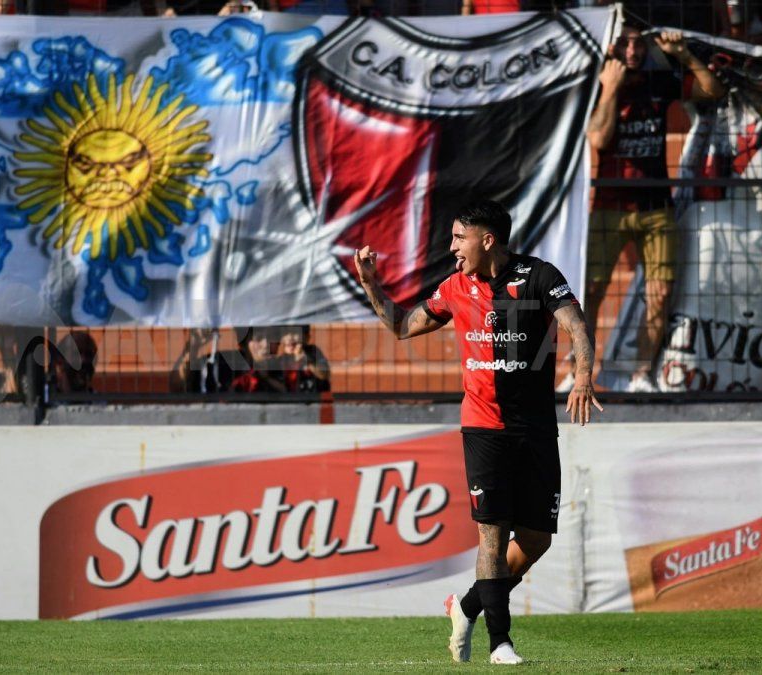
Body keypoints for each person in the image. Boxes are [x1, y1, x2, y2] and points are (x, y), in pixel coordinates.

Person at [354, 198, 601, 665]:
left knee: (534, 541)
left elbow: (577, 326)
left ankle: (465, 606)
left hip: (534, 428)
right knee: (492, 534)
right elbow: (403, 326)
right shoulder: (454, 287)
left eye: (458, 238)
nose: (452, 249)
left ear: (487, 240)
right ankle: (500, 644)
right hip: (483, 427)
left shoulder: (540, 277)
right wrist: (372, 286)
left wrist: (583, 376)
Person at [585, 26, 726, 392]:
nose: (632, 51)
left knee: (660, 293)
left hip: (656, 207)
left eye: (638, 43)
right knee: (591, 292)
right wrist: (612, 87)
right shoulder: (598, 82)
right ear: (613, 46)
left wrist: (685, 56)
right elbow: (598, 138)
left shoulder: (658, 81)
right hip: (608, 207)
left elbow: (714, 91)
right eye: (625, 43)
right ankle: (580, 371)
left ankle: (641, 374)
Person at [169, 326, 285, 393]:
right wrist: (193, 347)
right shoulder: (221, 364)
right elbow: (177, 387)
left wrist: (265, 376)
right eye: (258, 338)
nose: (266, 345)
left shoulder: (286, 367)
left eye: (272, 338)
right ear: (244, 344)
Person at [276, 324, 330, 392]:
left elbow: (324, 374)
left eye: (294, 333)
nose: (289, 338)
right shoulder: (281, 360)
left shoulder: (312, 351)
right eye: (286, 334)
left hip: (313, 398)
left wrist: (306, 359)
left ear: (306, 338)